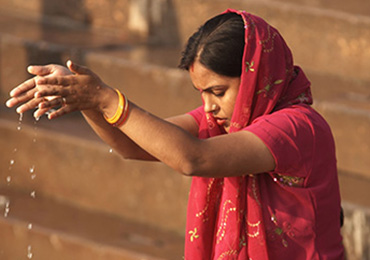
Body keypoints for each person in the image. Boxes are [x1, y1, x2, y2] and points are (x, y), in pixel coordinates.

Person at [5, 9, 344, 260]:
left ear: (255, 74)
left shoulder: (298, 127)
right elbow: (130, 146)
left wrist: (104, 97)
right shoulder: (224, 121)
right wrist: (87, 101)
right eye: (203, 93)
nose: (209, 106)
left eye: (218, 91)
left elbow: (194, 158)